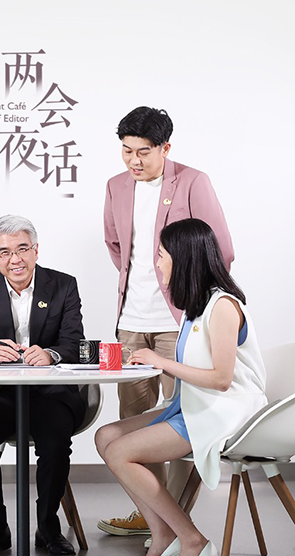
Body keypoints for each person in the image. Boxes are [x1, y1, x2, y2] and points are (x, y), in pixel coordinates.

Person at [95, 218, 267, 556]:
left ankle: (190, 538)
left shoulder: (223, 306)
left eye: (161, 255)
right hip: (192, 403)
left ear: (183, 257)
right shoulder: (195, 307)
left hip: (223, 411)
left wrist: (161, 362)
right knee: (106, 436)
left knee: (119, 452)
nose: (157, 263)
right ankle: (163, 535)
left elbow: (221, 379)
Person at [100, 106, 235, 537]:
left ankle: (177, 520)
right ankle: (152, 517)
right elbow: (116, 244)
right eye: (126, 151)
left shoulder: (193, 181)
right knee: (133, 418)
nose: (134, 160)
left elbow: (219, 248)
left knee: (181, 418)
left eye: (143, 151)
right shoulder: (116, 186)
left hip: (179, 322)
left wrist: (182, 293)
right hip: (130, 321)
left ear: (165, 148)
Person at [0, 215, 85, 556]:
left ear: (36, 250)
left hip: (50, 392)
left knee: (55, 440)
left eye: (22, 249)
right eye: (5, 252)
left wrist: (51, 354)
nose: (15, 259)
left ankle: (48, 528)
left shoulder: (63, 285)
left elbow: (75, 342)